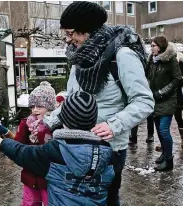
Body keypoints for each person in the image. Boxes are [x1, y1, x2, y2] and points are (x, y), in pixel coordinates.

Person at [43, 2, 154, 205]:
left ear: (87, 30)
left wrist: (114, 125)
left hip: (109, 149)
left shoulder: (122, 56)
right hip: (76, 146)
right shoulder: (80, 59)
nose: (68, 40)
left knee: (107, 200)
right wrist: (48, 122)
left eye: (71, 33)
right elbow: (72, 98)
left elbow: (144, 101)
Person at [0, 91, 115, 206]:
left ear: (64, 120)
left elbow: (23, 153)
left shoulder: (55, 150)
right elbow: (112, 192)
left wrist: (3, 143)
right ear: (94, 121)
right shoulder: (108, 152)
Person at [13, 81, 56, 206]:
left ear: (50, 107)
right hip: (30, 173)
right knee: (30, 202)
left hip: (49, 175)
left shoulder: (55, 125)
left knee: (50, 201)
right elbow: (18, 144)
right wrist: (23, 128)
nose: (35, 110)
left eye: (39, 106)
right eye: (32, 107)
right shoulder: (27, 123)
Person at [147, 36, 183, 171]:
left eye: (153, 46)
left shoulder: (171, 59)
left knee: (163, 130)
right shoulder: (151, 59)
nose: (151, 48)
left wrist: (163, 92)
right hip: (154, 99)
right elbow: (148, 76)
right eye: (151, 46)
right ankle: (164, 154)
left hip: (167, 99)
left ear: (160, 46)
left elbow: (177, 78)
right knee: (159, 131)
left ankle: (169, 161)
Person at [154, 52, 183, 151]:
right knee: (163, 119)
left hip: (176, 94)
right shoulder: (160, 61)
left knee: (178, 117)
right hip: (163, 94)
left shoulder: (180, 61)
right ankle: (164, 142)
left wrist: (178, 84)